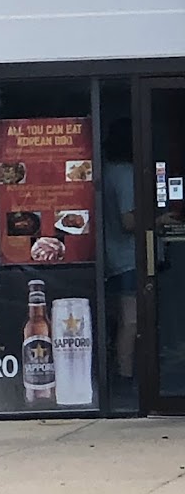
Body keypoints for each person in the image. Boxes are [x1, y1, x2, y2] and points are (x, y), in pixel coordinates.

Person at [102, 118, 137, 383]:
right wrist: (159, 220)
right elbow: (129, 221)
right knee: (131, 320)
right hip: (130, 259)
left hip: (110, 257)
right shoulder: (126, 174)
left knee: (117, 318)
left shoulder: (105, 172)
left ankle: (118, 372)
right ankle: (125, 376)